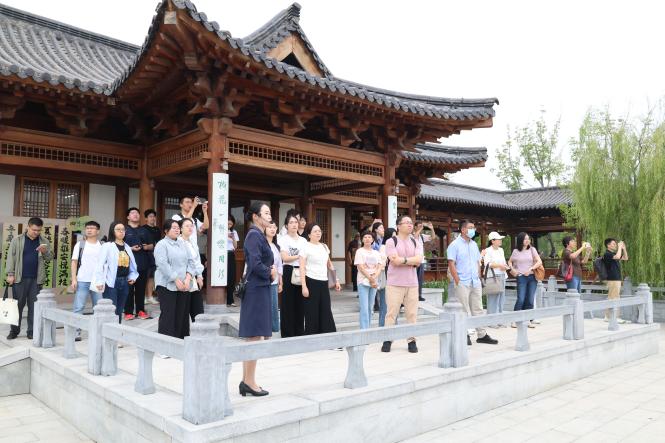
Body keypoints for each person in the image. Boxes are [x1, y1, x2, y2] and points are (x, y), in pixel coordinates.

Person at [238, 202, 275, 397]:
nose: (269, 216)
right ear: (255, 216)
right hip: (256, 289)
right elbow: (254, 263)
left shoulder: (259, 235)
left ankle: (246, 380)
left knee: (253, 336)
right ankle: (249, 382)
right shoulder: (254, 235)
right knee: (254, 336)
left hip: (259, 288)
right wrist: (270, 272)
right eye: (266, 213)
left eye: (269, 213)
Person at [447, 220, 499, 345]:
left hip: (475, 281)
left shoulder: (474, 244)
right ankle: (463, 334)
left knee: (478, 308)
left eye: (474, 227)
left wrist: (479, 277)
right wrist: (457, 280)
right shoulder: (454, 245)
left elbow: (477, 262)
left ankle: (482, 334)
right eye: (470, 227)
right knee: (463, 309)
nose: (473, 230)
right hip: (462, 282)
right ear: (463, 229)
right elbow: (451, 264)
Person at [5, 217, 53, 340]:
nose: (36, 232)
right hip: (19, 278)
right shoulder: (17, 240)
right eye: (34, 230)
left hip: (36, 279)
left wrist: (45, 251)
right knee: (17, 306)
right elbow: (11, 257)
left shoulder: (44, 241)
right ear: (28, 227)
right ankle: (14, 331)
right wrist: (10, 274)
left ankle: (31, 331)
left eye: (39, 230)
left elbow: (49, 258)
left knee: (34, 307)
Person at [381, 215, 423, 353]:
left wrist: (403, 260)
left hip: (412, 283)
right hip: (395, 283)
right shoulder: (391, 241)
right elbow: (394, 261)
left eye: (411, 223)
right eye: (407, 223)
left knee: (412, 314)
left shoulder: (415, 242)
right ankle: (387, 339)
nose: (410, 225)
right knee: (391, 313)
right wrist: (410, 260)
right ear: (399, 226)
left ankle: (412, 340)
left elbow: (419, 260)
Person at [154, 219, 195, 340]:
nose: (177, 230)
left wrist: (187, 279)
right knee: (168, 315)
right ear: (166, 231)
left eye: (178, 228)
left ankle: (181, 342)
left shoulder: (183, 243)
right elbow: (162, 264)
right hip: (166, 285)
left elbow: (191, 262)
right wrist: (176, 279)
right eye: (174, 228)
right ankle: (166, 344)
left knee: (182, 315)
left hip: (184, 285)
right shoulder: (161, 244)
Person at [94, 222, 138, 323]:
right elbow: (100, 264)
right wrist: (99, 281)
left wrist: (132, 276)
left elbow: (132, 264)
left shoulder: (127, 247)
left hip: (125, 282)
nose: (121, 232)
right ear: (112, 231)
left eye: (123, 230)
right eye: (118, 229)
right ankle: (108, 330)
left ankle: (117, 329)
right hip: (111, 282)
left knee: (119, 310)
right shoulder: (107, 246)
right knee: (111, 310)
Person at [299, 223, 339, 335]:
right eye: (315, 231)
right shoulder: (305, 247)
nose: (318, 233)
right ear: (309, 234)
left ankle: (328, 336)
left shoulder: (324, 247)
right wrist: (304, 286)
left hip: (323, 282)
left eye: (319, 231)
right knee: (312, 311)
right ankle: (312, 338)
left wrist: (336, 280)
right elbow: (302, 267)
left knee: (326, 309)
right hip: (311, 281)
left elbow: (329, 264)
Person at [70, 220, 103, 341]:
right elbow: (74, 262)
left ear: (98, 231)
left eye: (92, 228)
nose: (89, 230)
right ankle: (76, 332)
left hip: (98, 281)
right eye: (87, 228)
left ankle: (99, 332)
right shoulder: (80, 245)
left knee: (98, 308)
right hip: (82, 280)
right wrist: (74, 279)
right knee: (78, 307)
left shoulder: (103, 245)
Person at [278, 213, 307, 337]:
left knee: (300, 303)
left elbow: (307, 258)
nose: (294, 224)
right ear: (286, 225)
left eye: (296, 222)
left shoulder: (303, 240)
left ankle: (299, 332)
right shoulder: (283, 239)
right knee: (288, 303)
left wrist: (300, 258)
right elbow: (285, 257)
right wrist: (300, 256)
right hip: (289, 271)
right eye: (291, 222)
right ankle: (287, 333)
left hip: (301, 271)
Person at [123, 207, 153, 320]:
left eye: (137, 213)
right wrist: (130, 249)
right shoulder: (124, 230)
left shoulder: (144, 230)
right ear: (128, 217)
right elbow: (118, 245)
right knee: (129, 290)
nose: (135, 214)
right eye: (132, 213)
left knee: (141, 289)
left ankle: (141, 311)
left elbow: (152, 245)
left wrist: (146, 247)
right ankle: (128, 312)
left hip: (142, 263)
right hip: (127, 264)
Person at [508, 232, 543, 328]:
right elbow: (510, 261)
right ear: (520, 240)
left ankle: (527, 320)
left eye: (528, 239)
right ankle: (515, 320)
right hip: (521, 277)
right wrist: (512, 268)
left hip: (532, 277)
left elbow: (539, 261)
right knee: (521, 299)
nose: (527, 240)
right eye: (525, 239)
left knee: (530, 300)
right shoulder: (515, 251)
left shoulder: (532, 249)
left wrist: (531, 269)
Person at [354, 230, 383, 329]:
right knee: (364, 307)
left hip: (373, 282)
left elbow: (379, 266)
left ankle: (368, 329)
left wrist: (374, 278)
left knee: (370, 307)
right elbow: (361, 267)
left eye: (369, 237)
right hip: (363, 281)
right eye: (365, 237)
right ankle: (364, 330)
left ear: (373, 239)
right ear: (362, 239)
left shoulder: (376, 253)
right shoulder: (359, 251)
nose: (367, 239)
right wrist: (370, 278)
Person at [481, 232, 509, 326]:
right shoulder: (488, 250)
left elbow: (503, 262)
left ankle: (499, 319)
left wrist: (505, 266)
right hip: (493, 277)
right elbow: (487, 264)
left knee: (501, 298)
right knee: (493, 299)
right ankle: (491, 321)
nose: (500, 240)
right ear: (492, 241)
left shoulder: (501, 250)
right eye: (498, 239)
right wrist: (500, 266)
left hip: (502, 275)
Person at [180, 218, 205, 322]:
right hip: (183, 279)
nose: (190, 228)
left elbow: (197, 261)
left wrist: (200, 276)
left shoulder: (193, 241)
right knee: (183, 312)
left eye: (191, 226)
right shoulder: (178, 242)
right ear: (181, 228)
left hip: (194, 279)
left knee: (198, 311)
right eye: (187, 226)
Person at [603, 238, 629, 323]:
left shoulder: (613, 253)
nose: (615, 245)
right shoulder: (607, 254)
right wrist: (620, 247)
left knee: (613, 297)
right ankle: (614, 317)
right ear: (608, 245)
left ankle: (608, 316)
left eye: (615, 244)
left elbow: (625, 258)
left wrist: (623, 249)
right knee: (614, 297)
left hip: (616, 278)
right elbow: (618, 257)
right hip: (613, 278)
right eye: (613, 244)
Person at [377, 228, 397, 327]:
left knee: (394, 304)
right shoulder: (383, 247)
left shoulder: (396, 248)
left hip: (395, 279)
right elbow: (382, 263)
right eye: (393, 236)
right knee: (384, 305)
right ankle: (382, 327)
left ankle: (394, 326)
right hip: (386, 279)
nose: (395, 238)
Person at [266, 220, 283, 333]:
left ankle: (274, 328)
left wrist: (281, 282)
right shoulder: (262, 244)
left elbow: (279, 265)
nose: (272, 229)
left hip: (274, 281)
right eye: (270, 227)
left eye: (274, 227)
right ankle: (265, 328)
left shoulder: (276, 246)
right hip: (264, 279)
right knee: (264, 306)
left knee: (274, 306)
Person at [414, 221, 438, 301]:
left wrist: (432, 229)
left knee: (420, 279)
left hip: (421, 260)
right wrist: (420, 229)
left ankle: (419, 295)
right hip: (413, 261)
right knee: (413, 279)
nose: (421, 227)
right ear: (415, 227)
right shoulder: (411, 235)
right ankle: (413, 295)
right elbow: (415, 236)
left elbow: (433, 237)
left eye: (421, 226)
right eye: (419, 226)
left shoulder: (422, 236)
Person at [142, 209, 161, 305]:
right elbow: (143, 244)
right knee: (144, 276)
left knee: (151, 276)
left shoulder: (157, 229)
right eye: (150, 216)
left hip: (156, 255)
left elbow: (159, 242)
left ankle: (150, 296)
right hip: (146, 255)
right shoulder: (143, 229)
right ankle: (143, 297)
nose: (152, 218)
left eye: (154, 216)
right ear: (146, 218)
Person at [226, 215, 240, 307]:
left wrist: (233, 237)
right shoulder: (219, 230)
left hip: (230, 254)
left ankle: (230, 300)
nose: (229, 223)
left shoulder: (234, 232)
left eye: (231, 222)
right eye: (228, 221)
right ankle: (220, 299)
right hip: (221, 254)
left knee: (231, 277)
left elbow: (235, 246)